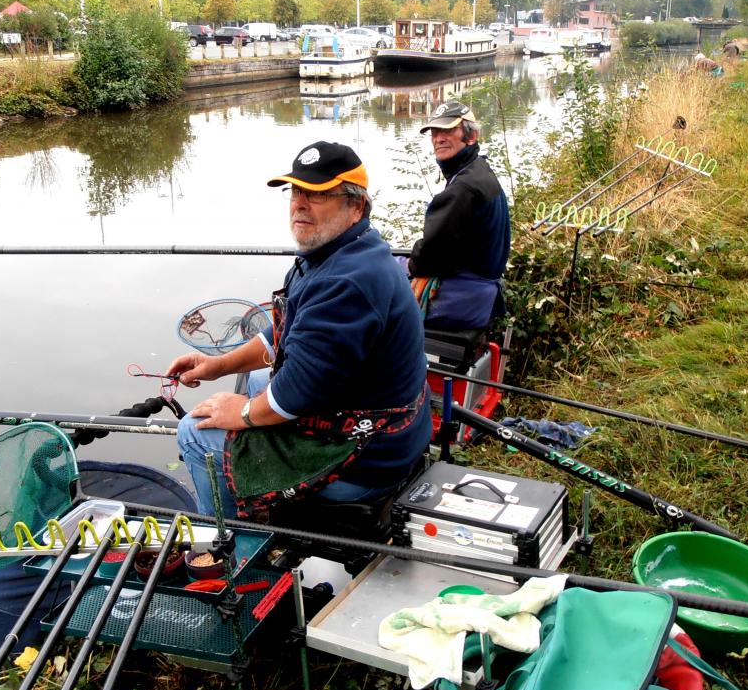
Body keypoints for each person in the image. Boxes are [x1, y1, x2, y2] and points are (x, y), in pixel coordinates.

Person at [168, 141, 431, 519]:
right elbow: (284, 333)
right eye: (296, 191)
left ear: (356, 206)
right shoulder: (338, 253)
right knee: (259, 380)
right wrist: (219, 365)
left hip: (367, 457)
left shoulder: (347, 282)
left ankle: (234, 553)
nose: (300, 203)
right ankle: (250, 496)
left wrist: (241, 413)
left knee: (194, 432)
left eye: (319, 194)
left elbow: (293, 395)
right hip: (385, 427)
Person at [407, 101, 511, 331]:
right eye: (435, 132)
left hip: (465, 298)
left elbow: (428, 254)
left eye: (447, 130)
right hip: (480, 290)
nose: (438, 138)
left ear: (471, 136)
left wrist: (417, 269)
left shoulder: (463, 189)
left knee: (375, 286)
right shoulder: (479, 169)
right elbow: (449, 244)